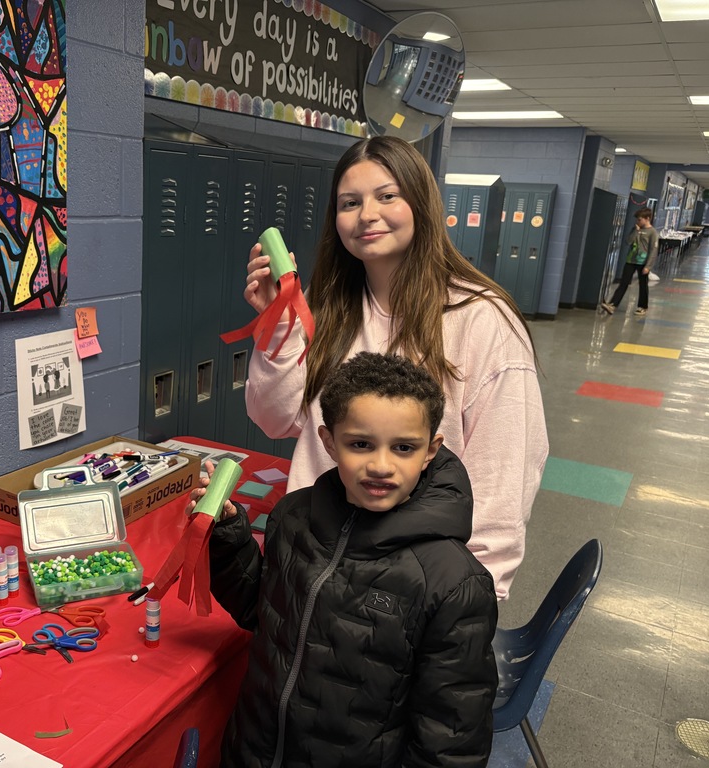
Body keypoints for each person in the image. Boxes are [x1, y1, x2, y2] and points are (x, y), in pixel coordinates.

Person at [241, 134, 547, 600]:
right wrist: (278, 327)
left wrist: (474, 599)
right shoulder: (331, 311)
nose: (367, 214)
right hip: (318, 562)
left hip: (414, 586)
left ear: (421, 204)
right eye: (350, 202)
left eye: (387, 196)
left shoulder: (482, 320)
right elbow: (275, 419)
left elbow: (504, 480)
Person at [205, 352, 498, 768]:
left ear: (431, 451)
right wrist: (227, 537)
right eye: (360, 444)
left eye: (404, 448)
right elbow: (263, 612)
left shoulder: (453, 582)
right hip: (254, 749)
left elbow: (451, 740)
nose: (381, 465)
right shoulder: (293, 517)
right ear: (329, 442)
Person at [600, 206, 659, 317]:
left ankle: (642, 306)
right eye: (637, 219)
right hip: (631, 260)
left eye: (640, 219)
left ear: (647, 219)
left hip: (643, 262)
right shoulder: (636, 229)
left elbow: (653, 250)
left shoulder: (652, 233)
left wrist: (648, 266)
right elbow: (628, 241)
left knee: (643, 285)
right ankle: (612, 305)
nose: (638, 221)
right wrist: (635, 231)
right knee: (624, 283)